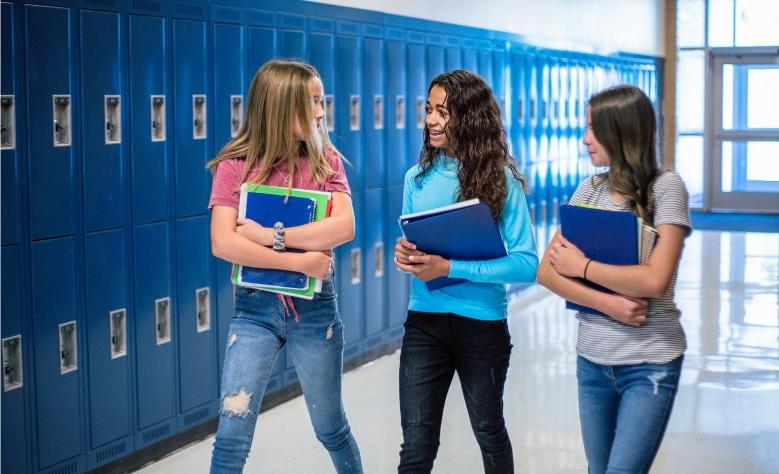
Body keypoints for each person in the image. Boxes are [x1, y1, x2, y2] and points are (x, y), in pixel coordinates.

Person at [207, 59, 363, 474]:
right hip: (254, 312)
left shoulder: (325, 159)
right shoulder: (235, 165)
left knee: (330, 428)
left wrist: (267, 237)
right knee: (230, 438)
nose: (320, 111)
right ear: (279, 106)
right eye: (310, 101)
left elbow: (344, 226)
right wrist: (302, 259)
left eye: (320, 100)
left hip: (315, 313)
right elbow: (223, 242)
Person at [537, 84, 691, 474]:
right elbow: (546, 271)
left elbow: (655, 279)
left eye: (593, 129)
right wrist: (608, 303)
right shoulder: (587, 191)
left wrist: (583, 268)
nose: (584, 139)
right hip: (592, 360)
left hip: (649, 362)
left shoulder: (665, 188)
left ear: (621, 132)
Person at [394, 70, 539, 473]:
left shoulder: (500, 180)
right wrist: (405, 254)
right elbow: (414, 247)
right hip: (425, 322)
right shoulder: (416, 178)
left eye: (444, 111)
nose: (432, 120)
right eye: (429, 110)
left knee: (489, 431)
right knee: (416, 446)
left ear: (470, 117)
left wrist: (452, 266)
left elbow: (527, 264)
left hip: (482, 326)